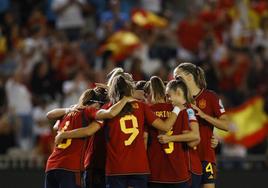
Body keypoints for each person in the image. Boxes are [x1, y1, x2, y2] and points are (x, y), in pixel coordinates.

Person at [45, 88, 132, 188]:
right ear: (95, 103)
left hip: (52, 165)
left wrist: (67, 111)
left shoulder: (68, 113)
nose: (100, 107)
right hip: (70, 166)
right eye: (100, 105)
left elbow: (52, 120)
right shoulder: (88, 111)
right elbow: (107, 116)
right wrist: (125, 99)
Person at [104, 75, 181, 188]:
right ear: (130, 89)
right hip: (139, 166)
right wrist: (178, 108)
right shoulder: (142, 107)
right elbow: (165, 127)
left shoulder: (107, 108)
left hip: (116, 166)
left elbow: (90, 130)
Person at [173, 62, 229, 188]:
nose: (175, 81)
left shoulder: (211, 97)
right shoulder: (176, 100)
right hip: (184, 157)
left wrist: (204, 116)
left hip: (206, 156)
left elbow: (226, 125)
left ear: (189, 77)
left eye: (178, 77)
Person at [147, 76, 201, 188]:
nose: (167, 98)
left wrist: (170, 138)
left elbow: (195, 137)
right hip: (180, 170)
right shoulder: (185, 110)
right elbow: (193, 139)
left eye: (168, 95)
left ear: (177, 92)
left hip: (166, 168)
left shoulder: (188, 110)